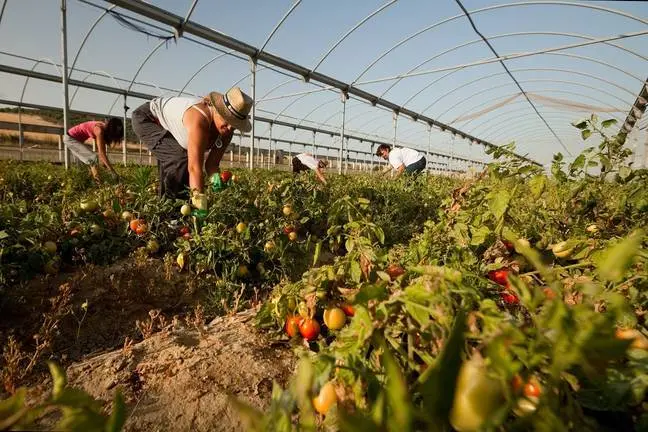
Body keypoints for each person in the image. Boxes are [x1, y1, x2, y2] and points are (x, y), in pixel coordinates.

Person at [131, 87, 253, 201]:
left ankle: (171, 208)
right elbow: (195, 168)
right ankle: (172, 214)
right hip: (149, 119)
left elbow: (212, 164)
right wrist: (201, 207)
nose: (230, 127)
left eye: (235, 124)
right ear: (217, 110)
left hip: (170, 131)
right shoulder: (200, 119)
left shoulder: (227, 132)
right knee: (179, 160)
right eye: (227, 120)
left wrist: (217, 183)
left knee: (177, 164)